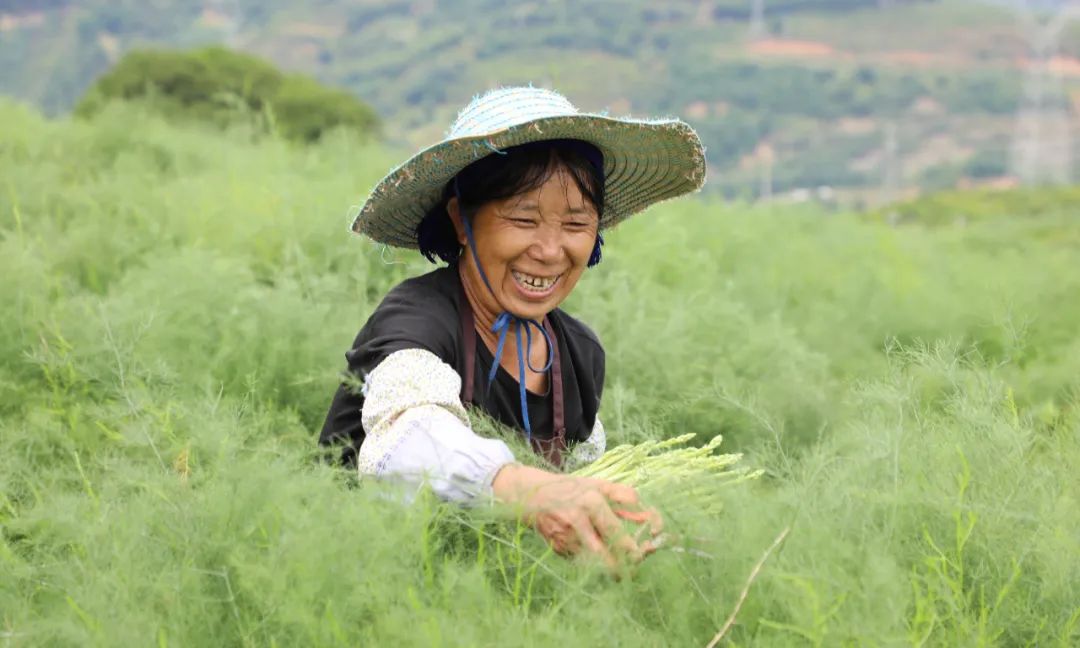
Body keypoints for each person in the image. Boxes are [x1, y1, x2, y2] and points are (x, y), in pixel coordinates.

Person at [320, 86, 706, 569]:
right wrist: (533, 491)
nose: (549, 250)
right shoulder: (417, 320)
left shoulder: (577, 352)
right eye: (523, 218)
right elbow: (408, 441)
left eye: (574, 224)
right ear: (462, 220)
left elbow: (582, 479)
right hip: (358, 575)